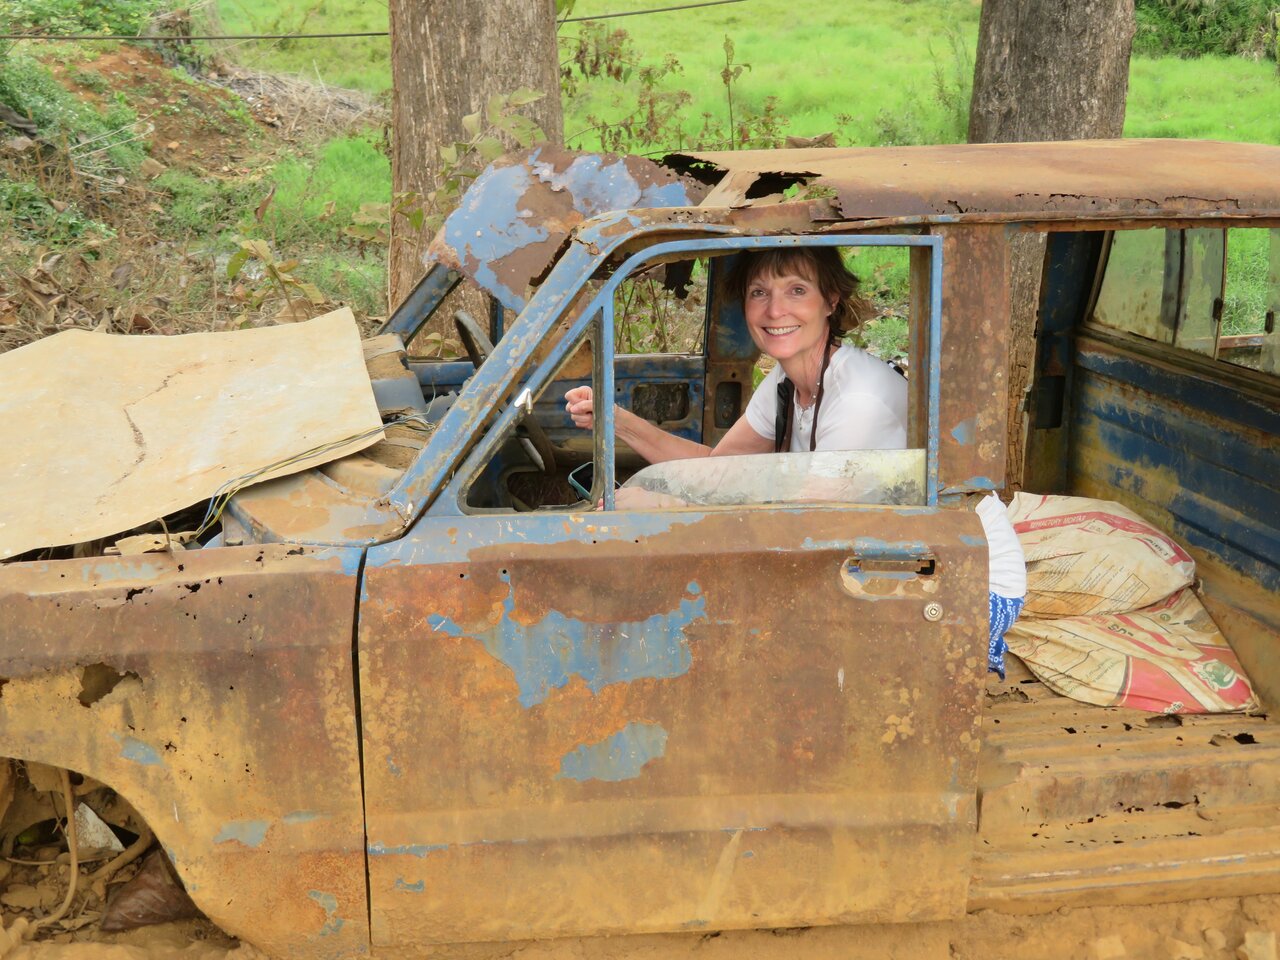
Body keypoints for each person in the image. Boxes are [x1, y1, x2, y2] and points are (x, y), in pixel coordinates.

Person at [563, 246, 908, 462]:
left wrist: (666, 505)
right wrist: (615, 419)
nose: (775, 311)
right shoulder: (787, 381)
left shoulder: (858, 402)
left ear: (830, 301)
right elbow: (718, 468)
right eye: (759, 292)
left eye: (797, 290)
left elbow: (804, 529)